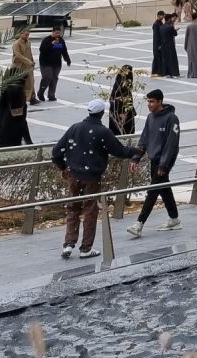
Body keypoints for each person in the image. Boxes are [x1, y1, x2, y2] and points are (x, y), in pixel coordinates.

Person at [51, 97, 136, 258]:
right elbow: (119, 151)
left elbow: (56, 152)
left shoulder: (75, 128)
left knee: (72, 209)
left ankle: (68, 244)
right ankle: (86, 248)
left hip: (73, 175)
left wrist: (63, 167)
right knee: (90, 211)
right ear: (102, 113)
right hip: (92, 177)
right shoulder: (103, 132)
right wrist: (135, 151)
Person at [127, 88, 182, 238]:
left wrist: (164, 165)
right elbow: (144, 139)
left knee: (152, 191)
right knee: (164, 189)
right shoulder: (150, 118)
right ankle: (175, 219)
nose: (149, 105)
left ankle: (139, 224)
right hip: (154, 159)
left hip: (164, 161)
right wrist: (135, 158)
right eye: (148, 101)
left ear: (160, 101)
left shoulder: (172, 118)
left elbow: (172, 144)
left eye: (152, 101)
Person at [0, 71, 32, 147]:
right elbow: (19, 118)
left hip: (3, 130)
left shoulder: (9, 86)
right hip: (12, 134)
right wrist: (29, 142)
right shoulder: (16, 91)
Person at [38, 27, 71, 102]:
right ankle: (41, 93)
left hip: (57, 64)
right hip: (46, 63)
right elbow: (42, 50)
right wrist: (51, 44)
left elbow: (64, 51)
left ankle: (51, 95)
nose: (58, 35)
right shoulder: (46, 40)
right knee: (47, 78)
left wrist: (67, 59)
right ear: (52, 32)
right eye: (56, 33)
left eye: (59, 33)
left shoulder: (61, 40)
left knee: (54, 79)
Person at [10, 28, 38, 105]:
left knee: (31, 81)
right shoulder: (16, 44)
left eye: (28, 34)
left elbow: (30, 53)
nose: (27, 36)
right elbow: (18, 55)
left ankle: (32, 98)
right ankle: (19, 99)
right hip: (19, 66)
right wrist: (28, 61)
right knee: (19, 84)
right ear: (20, 34)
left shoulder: (28, 42)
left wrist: (32, 61)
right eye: (25, 34)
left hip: (28, 66)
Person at [108, 65, 136, 136]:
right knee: (125, 134)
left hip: (115, 114)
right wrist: (124, 114)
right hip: (123, 116)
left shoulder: (117, 85)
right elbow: (122, 102)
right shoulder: (123, 87)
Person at [184, 12, 197, 79]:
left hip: (191, 46)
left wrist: (185, 46)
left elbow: (186, 37)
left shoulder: (189, 26)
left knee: (191, 60)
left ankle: (192, 73)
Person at [150, 8, 168, 77]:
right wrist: (158, 45)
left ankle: (160, 72)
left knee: (160, 58)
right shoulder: (156, 24)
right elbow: (156, 36)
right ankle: (155, 72)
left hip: (160, 43)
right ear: (159, 15)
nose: (163, 17)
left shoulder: (160, 22)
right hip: (157, 44)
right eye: (162, 16)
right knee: (157, 58)